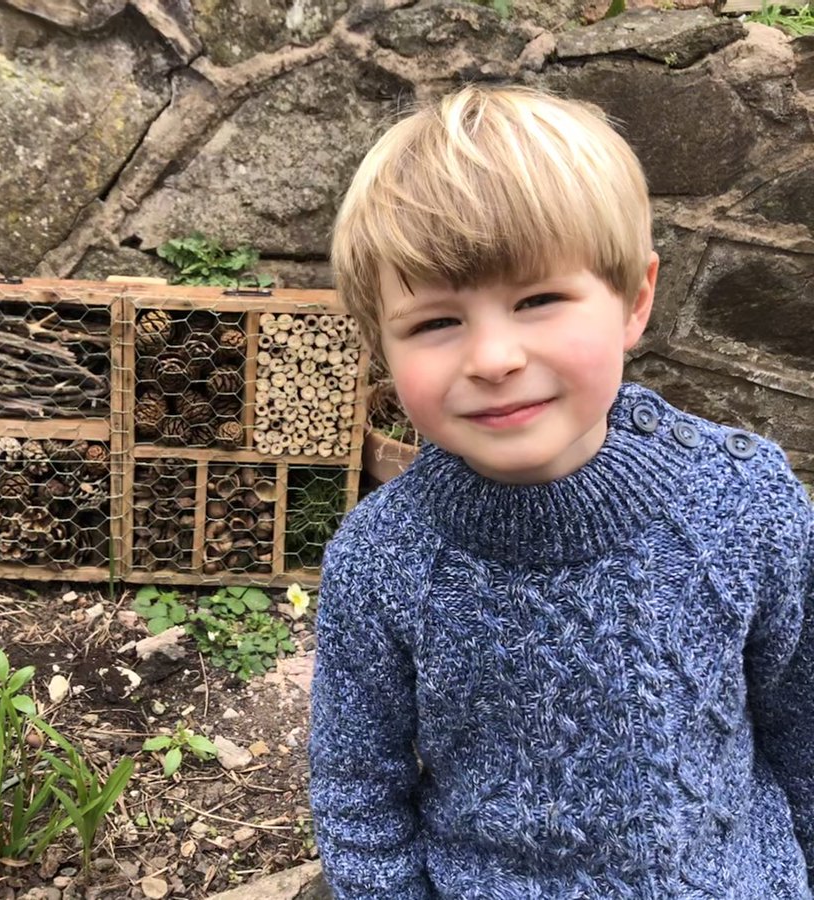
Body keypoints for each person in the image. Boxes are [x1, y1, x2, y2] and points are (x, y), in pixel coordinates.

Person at [307, 84, 814, 899]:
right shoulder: (381, 561)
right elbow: (358, 794)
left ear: (634, 301)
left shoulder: (747, 505)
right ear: (382, 349)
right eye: (436, 322)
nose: (494, 357)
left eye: (538, 300)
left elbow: (803, 722)